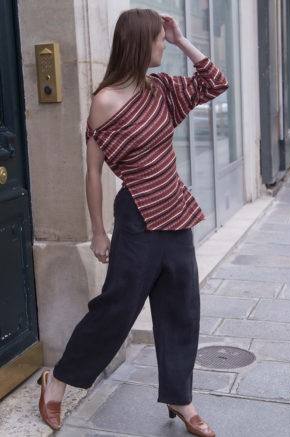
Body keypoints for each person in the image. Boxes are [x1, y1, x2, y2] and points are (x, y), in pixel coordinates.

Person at [38, 8, 229, 437]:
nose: (163, 46)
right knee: (116, 311)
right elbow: (92, 171)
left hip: (175, 213)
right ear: (140, 43)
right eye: (160, 40)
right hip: (138, 219)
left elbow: (216, 82)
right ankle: (58, 382)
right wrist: (98, 232)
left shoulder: (161, 89)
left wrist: (182, 39)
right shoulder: (104, 101)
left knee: (182, 310)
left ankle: (181, 399)